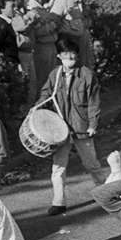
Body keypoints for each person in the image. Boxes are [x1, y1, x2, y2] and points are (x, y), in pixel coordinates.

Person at [38, 42, 104, 216]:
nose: (70, 57)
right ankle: (58, 202)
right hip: (60, 129)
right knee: (58, 167)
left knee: (92, 164)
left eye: (73, 53)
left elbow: (94, 102)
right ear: (59, 56)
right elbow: (45, 94)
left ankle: (106, 193)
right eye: (66, 54)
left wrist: (93, 124)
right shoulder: (55, 74)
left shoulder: (87, 75)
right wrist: (36, 108)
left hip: (82, 127)